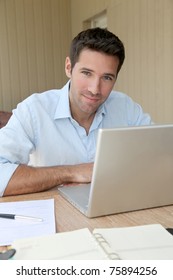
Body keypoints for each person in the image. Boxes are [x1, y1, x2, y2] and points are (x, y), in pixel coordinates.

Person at [0, 27, 152, 197]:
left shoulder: (126, 108)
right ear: (68, 67)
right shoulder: (34, 110)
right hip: (57, 214)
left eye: (107, 78)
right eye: (87, 73)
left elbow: (158, 155)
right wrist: (71, 172)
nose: (95, 89)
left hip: (116, 207)